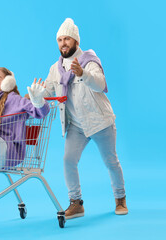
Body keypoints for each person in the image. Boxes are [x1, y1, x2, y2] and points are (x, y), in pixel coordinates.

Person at [42, 18, 128, 218]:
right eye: (60, 39)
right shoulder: (56, 69)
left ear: (76, 42)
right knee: (68, 160)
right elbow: (48, 91)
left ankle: (120, 198)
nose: (63, 43)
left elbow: (100, 84)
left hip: (100, 121)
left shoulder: (89, 60)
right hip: (76, 125)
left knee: (111, 161)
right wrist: (36, 93)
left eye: (67, 39)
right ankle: (76, 203)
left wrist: (83, 74)